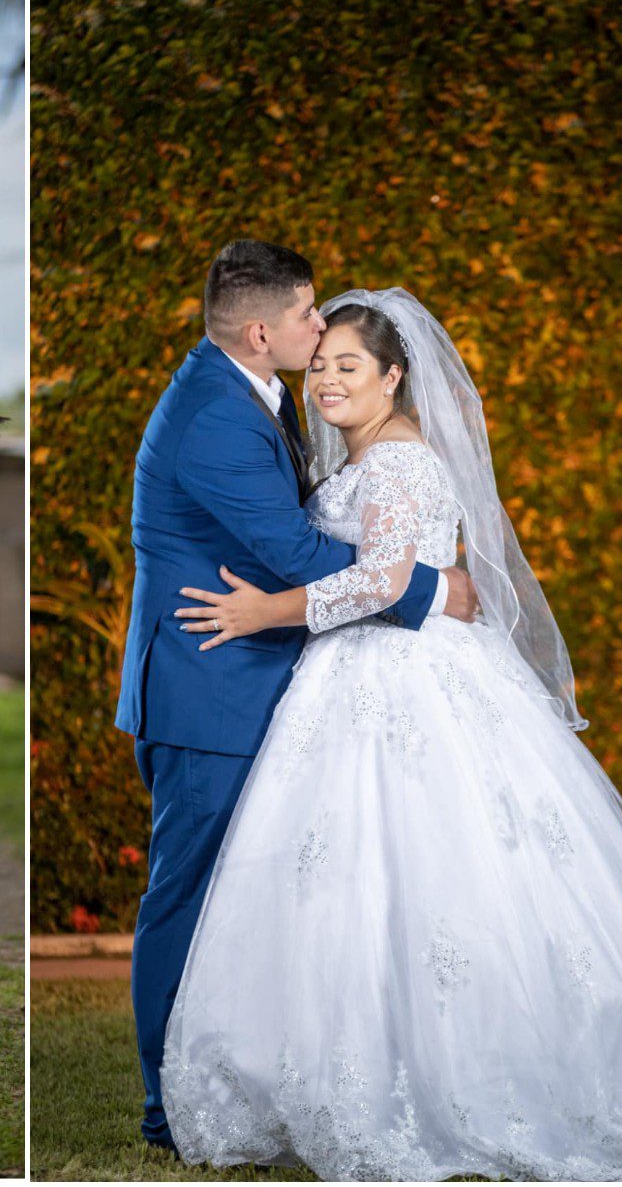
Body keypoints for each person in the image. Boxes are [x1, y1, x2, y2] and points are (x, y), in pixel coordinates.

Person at [157, 288, 622, 1180]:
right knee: (349, 877)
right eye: (320, 364)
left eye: (348, 367)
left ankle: (450, 1072)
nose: (326, 380)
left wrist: (265, 612)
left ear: (394, 376)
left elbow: (381, 582)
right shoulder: (361, 461)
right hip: (352, 674)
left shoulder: (401, 463)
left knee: (429, 868)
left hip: (403, 676)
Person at [115, 242, 479, 1154]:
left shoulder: (252, 394)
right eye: (313, 321)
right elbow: (295, 550)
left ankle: (269, 1076)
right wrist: (431, 590)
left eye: (337, 343)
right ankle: (170, 1108)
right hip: (210, 687)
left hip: (261, 683)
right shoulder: (214, 415)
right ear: (261, 329)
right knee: (187, 902)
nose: (319, 337)